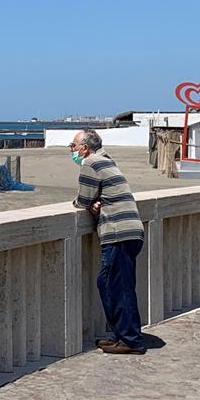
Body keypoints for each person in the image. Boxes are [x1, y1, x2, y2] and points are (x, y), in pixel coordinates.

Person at [70, 129, 146, 355]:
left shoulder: (91, 163)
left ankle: (131, 340)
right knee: (109, 283)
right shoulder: (107, 160)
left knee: (117, 287)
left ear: (84, 148)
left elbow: (82, 199)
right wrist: (95, 202)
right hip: (130, 231)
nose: (72, 151)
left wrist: (87, 203)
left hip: (118, 233)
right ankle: (120, 334)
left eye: (73, 146)